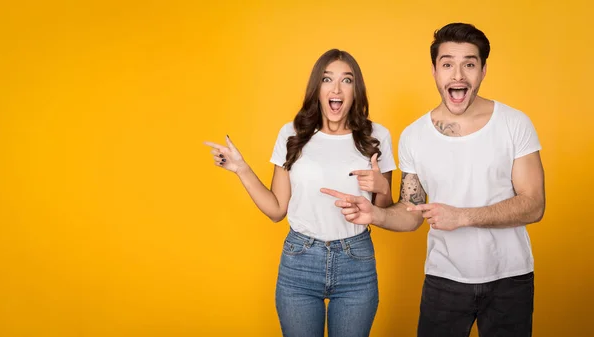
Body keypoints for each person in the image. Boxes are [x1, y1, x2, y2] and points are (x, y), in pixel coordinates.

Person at [321, 23, 545, 337]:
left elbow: (533, 205)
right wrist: (376, 214)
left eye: (469, 64)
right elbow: (411, 213)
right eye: (447, 64)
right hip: (444, 282)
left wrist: (462, 217)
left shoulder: (514, 124)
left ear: (482, 70)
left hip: (510, 280)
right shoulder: (414, 136)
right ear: (434, 71)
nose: (458, 75)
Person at [204, 49, 396, 337]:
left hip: (355, 261)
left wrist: (382, 188)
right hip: (300, 261)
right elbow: (276, 210)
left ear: (356, 90)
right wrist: (241, 168)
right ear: (316, 89)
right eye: (327, 79)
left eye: (346, 80)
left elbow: (385, 209)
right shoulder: (292, 134)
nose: (336, 88)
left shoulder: (376, 136)